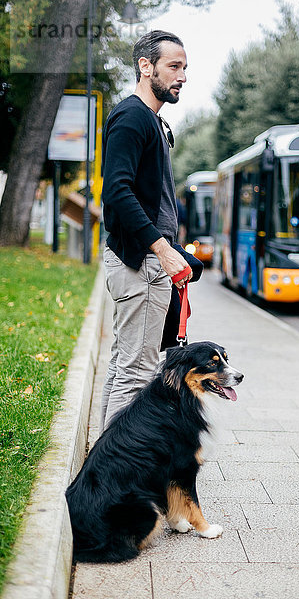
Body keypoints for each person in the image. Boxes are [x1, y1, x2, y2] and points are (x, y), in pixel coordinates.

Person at [100, 30, 191, 433]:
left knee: (125, 366)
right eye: (174, 66)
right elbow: (115, 190)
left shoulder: (150, 119)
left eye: (185, 68)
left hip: (146, 261)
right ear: (146, 66)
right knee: (137, 373)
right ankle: (113, 480)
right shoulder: (133, 116)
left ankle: (101, 468)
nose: (182, 76)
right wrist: (162, 248)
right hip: (142, 264)